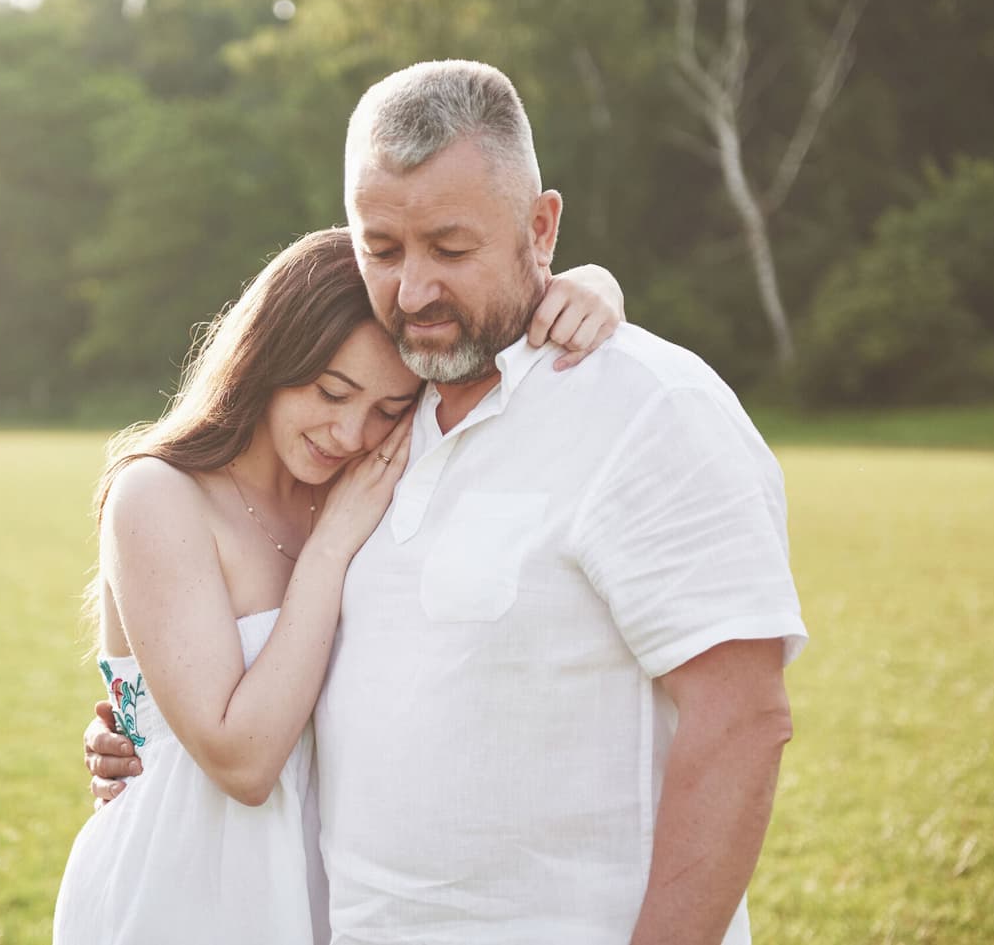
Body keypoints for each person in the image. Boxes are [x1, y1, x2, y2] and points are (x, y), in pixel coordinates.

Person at [87, 60, 808, 944]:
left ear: (540, 227)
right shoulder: (392, 423)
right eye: (382, 251)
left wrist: (597, 287)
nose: (415, 291)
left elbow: (742, 719)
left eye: (452, 249)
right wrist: (131, 724)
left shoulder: (649, 407)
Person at [54, 226, 625, 945]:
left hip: (330, 891)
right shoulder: (160, 495)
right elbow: (246, 759)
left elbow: (505, 358)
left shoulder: (369, 477)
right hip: (181, 889)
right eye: (332, 391)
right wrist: (328, 550)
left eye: (389, 408)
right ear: (268, 356)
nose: (352, 432)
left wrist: (595, 287)